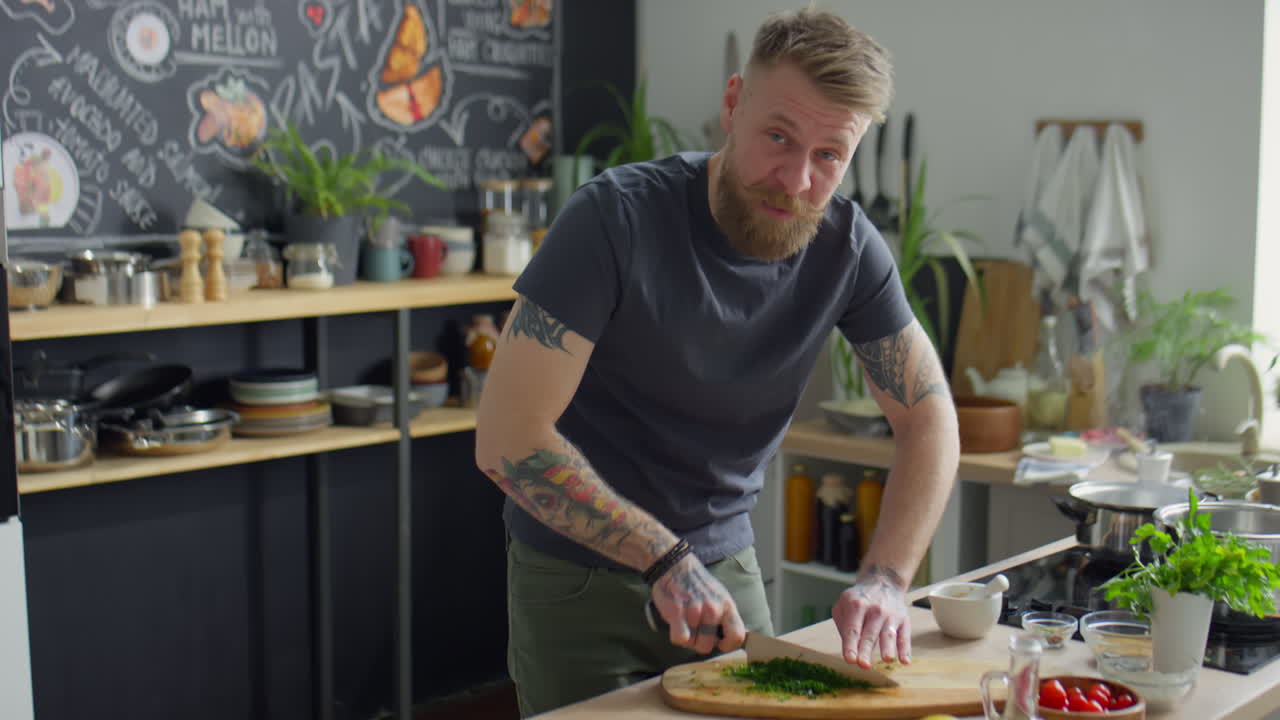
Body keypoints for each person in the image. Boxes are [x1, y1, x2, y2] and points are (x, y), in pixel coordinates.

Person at [475, 7, 960, 717]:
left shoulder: (849, 250)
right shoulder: (614, 220)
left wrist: (887, 578)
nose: (796, 179)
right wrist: (663, 558)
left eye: (830, 156)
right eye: (778, 136)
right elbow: (506, 441)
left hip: (723, 567)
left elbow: (930, 418)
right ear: (733, 104)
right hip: (577, 575)